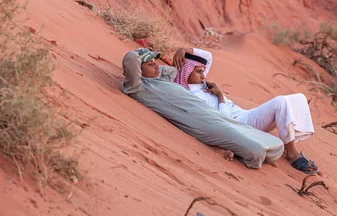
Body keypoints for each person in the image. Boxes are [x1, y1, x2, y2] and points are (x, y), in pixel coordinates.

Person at [121, 48, 284, 169]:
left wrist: (152, 64)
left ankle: (243, 150)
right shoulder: (139, 87)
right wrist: (138, 56)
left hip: (211, 113)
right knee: (256, 150)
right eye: (150, 64)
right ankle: (244, 155)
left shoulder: (162, 79)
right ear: (137, 70)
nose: (157, 67)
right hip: (202, 123)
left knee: (277, 144)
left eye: (156, 63)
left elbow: (171, 70)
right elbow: (131, 58)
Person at [173, 47, 318, 175]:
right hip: (239, 125)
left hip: (244, 115)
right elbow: (220, 122)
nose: (204, 76)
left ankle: (289, 133)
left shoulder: (199, 82)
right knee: (281, 102)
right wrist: (220, 96)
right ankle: (292, 153)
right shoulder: (192, 96)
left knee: (299, 98)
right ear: (186, 71)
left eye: (203, 71)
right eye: (199, 72)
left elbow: (208, 56)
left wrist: (184, 50)